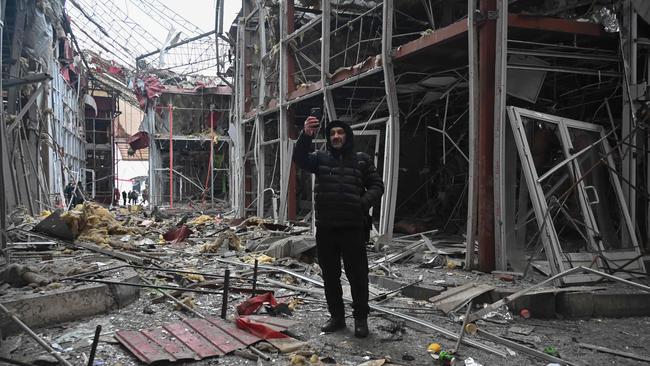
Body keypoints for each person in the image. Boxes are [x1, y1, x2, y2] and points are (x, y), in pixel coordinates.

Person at [293, 116, 384, 338]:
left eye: (340, 133)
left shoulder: (362, 160)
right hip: (326, 229)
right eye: (332, 133)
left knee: (358, 276)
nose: (336, 136)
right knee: (330, 276)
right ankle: (337, 318)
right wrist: (305, 136)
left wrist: (361, 204)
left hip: (353, 227)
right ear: (328, 137)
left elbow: (377, 185)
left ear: (347, 136)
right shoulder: (320, 159)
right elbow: (299, 158)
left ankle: (361, 320)